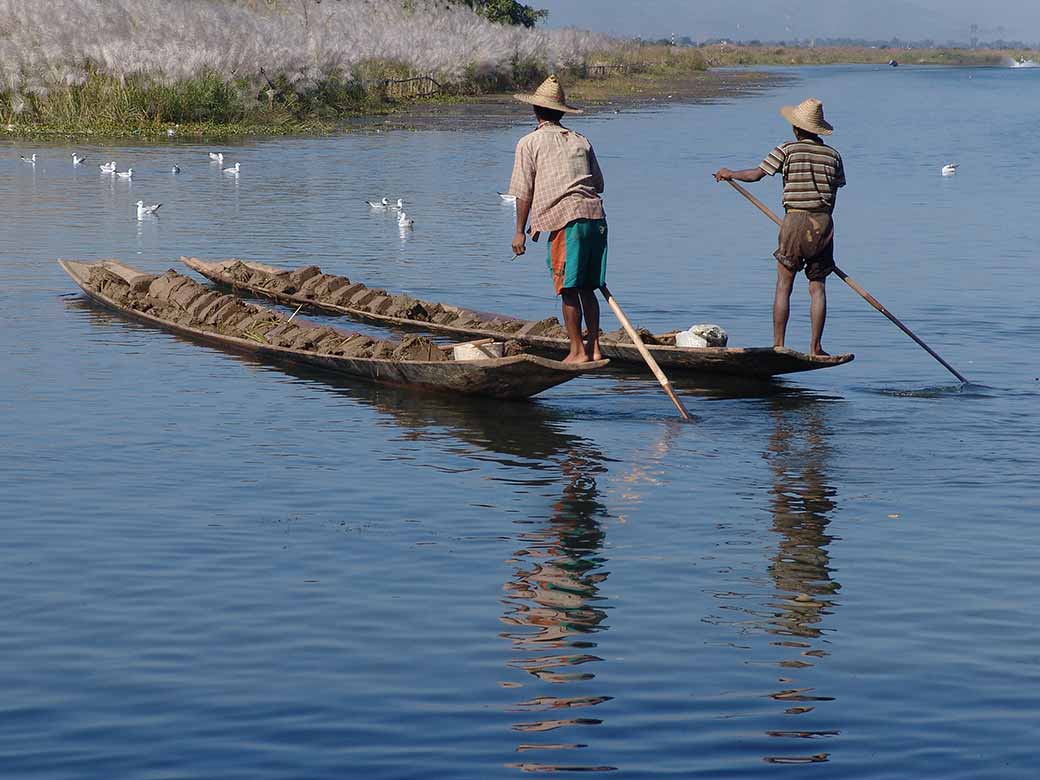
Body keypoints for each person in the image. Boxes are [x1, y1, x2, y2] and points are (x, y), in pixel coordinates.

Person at [713, 98, 845, 356]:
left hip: (795, 220)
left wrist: (730, 173)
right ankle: (816, 347)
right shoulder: (833, 155)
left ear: (796, 128)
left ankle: (779, 345)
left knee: (784, 285)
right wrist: (822, 224)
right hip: (824, 223)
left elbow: (756, 175)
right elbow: (834, 192)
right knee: (817, 287)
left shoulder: (787, 149)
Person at [508, 75, 607, 364]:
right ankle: (595, 348)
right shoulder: (580, 140)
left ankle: (577, 351)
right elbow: (598, 184)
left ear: (536, 111)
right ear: (561, 112)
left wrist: (519, 232)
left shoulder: (529, 143)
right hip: (596, 220)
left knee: (566, 288)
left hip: (568, 222)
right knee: (588, 287)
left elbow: (523, 191)